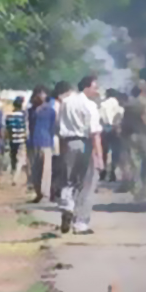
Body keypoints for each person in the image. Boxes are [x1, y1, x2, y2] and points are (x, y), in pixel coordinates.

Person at [58, 75, 104, 235]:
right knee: (87, 183)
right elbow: (95, 133)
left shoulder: (65, 103)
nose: (96, 90)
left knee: (68, 179)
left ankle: (67, 205)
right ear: (86, 87)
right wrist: (99, 157)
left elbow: (59, 127)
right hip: (85, 144)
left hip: (68, 143)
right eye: (94, 87)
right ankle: (80, 223)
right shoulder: (89, 105)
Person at [27, 85, 55, 203]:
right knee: (34, 170)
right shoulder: (30, 111)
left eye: (42, 94)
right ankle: (38, 192)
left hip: (46, 142)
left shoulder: (50, 111)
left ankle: (45, 194)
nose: (39, 97)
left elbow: (53, 128)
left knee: (45, 170)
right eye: (37, 94)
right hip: (32, 142)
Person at [99, 88, 122, 182]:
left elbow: (101, 117)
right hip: (116, 129)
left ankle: (103, 172)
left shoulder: (103, 104)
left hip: (105, 129)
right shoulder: (118, 104)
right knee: (115, 152)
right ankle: (113, 172)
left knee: (104, 151)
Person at [5, 97, 29, 187]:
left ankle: (12, 175)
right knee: (20, 159)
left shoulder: (9, 116)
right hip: (21, 139)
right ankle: (15, 177)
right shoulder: (24, 116)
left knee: (13, 158)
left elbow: (7, 129)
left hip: (12, 140)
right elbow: (26, 127)